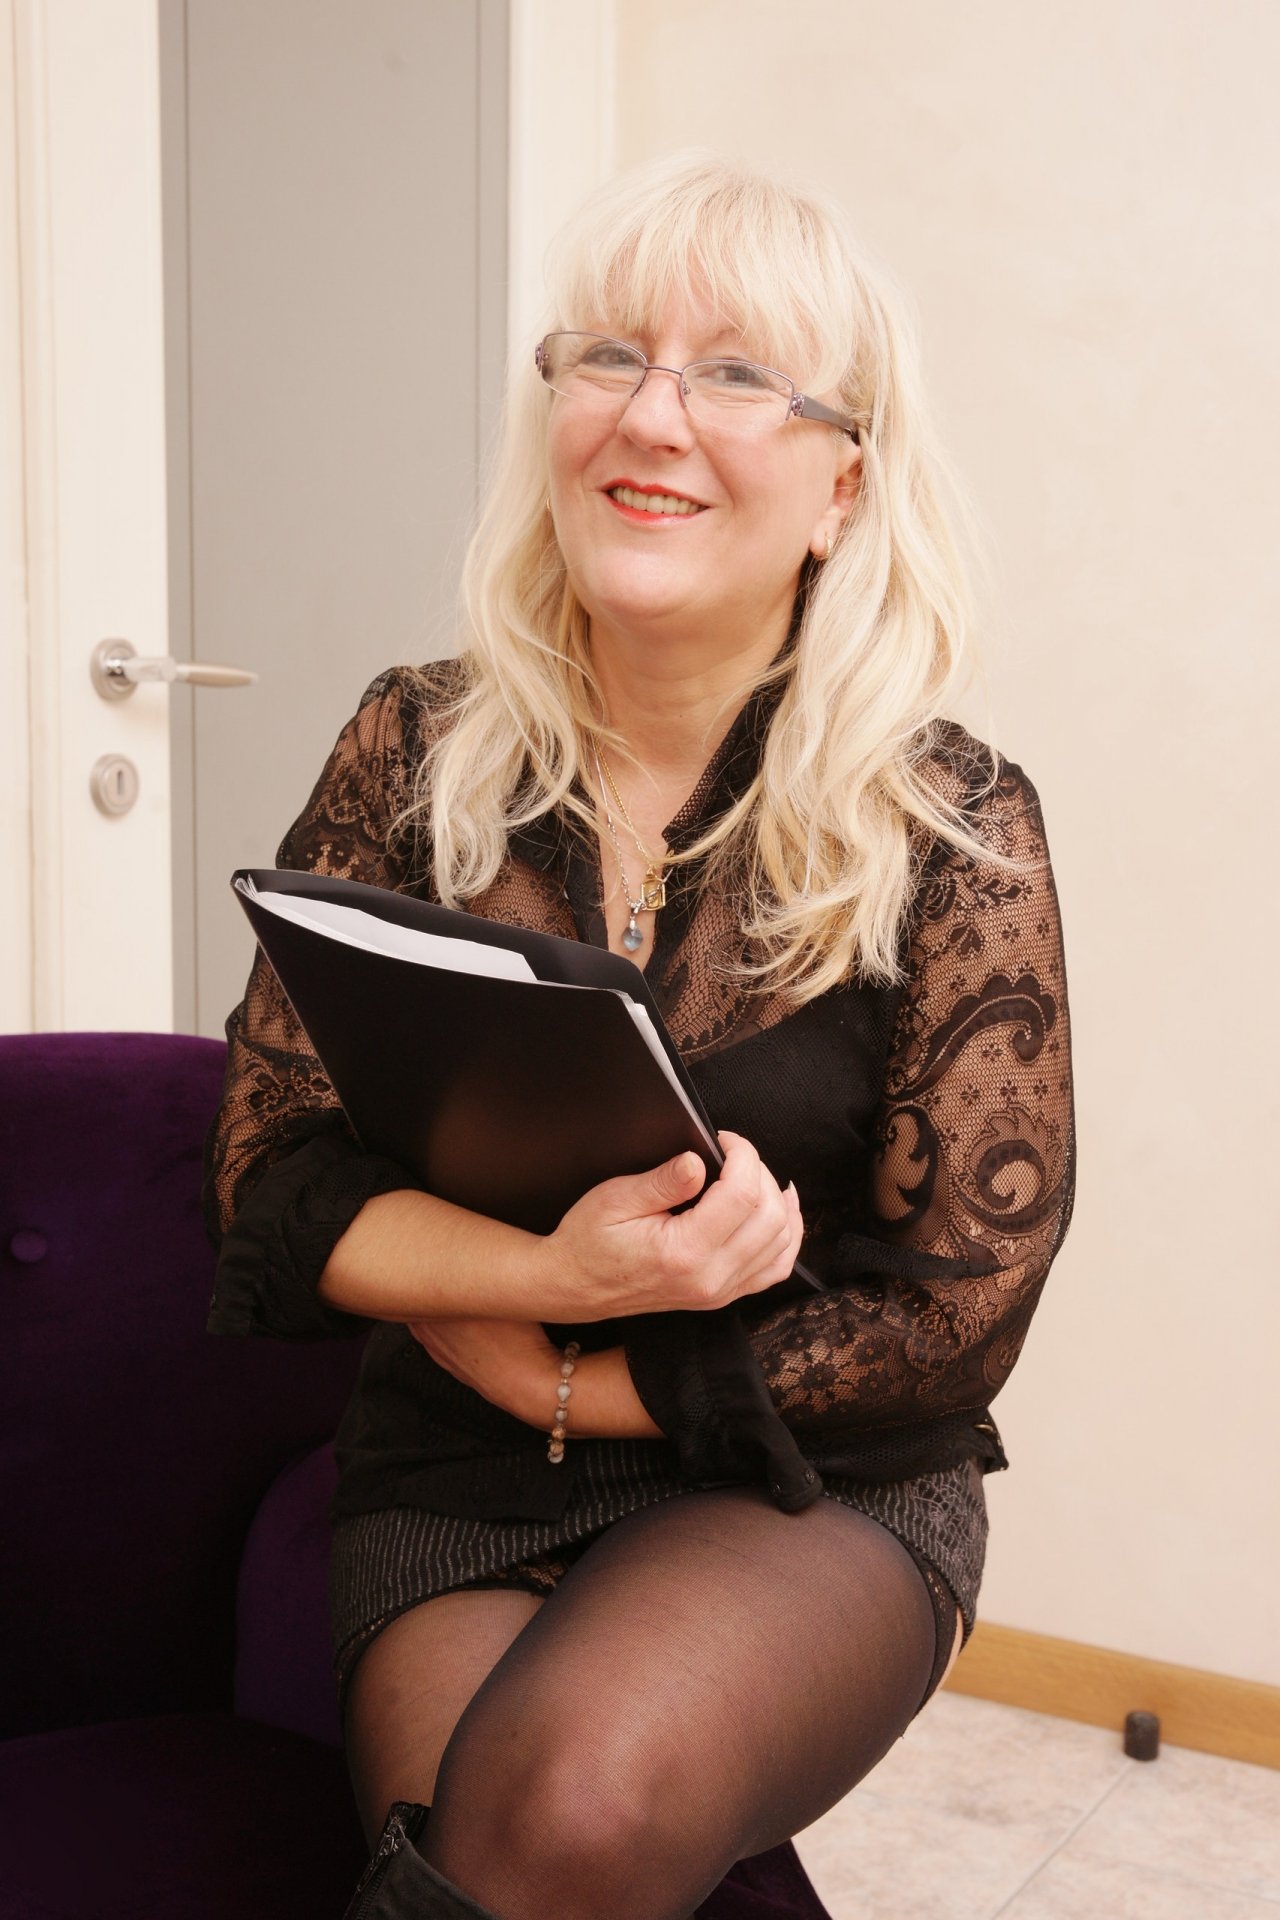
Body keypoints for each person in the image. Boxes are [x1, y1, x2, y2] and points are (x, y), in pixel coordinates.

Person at [204, 152, 1075, 1920]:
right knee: (473, 1840)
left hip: (807, 1489)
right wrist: (558, 1282)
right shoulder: (412, 749)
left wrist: (569, 1376)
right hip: (454, 1473)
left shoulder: (955, 826)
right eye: (608, 355)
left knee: (583, 1798)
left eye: (736, 374)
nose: (651, 414)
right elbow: (269, 1177)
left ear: (842, 483)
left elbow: (953, 1315)